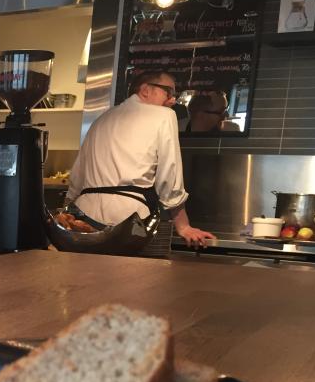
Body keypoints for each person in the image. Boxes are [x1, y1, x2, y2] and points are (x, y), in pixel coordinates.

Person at [66, 70, 215, 248]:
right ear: (145, 90)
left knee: (87, 267)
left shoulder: (101, 119)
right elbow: (169, 174)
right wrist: (183, 226)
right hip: (128, 219)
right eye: (168, 92)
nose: (173, 100)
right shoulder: (164, 115)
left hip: (85, 215)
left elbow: (77, 177)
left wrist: (67, 214)